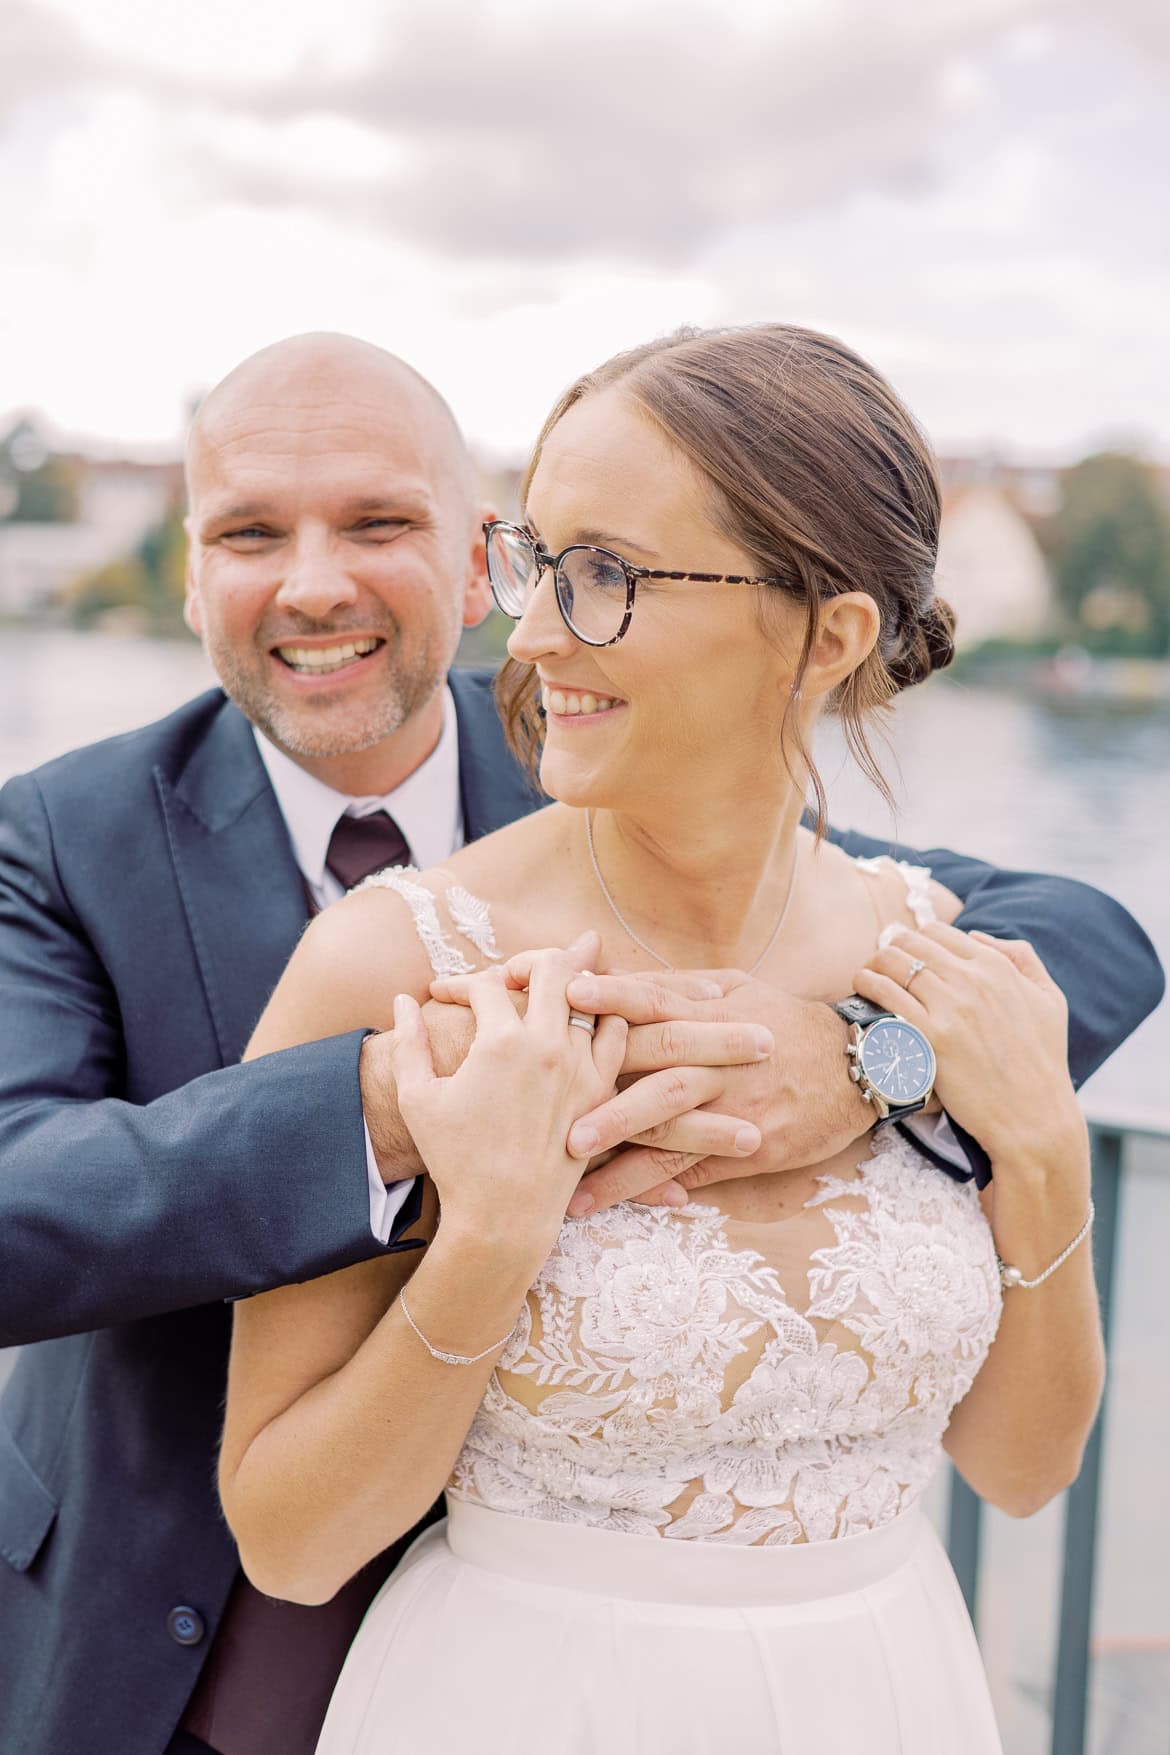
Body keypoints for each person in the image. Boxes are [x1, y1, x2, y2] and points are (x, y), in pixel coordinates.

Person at [0, 330, 1160, 1755]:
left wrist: (888, 1069)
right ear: (190, 572)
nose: (537, 637)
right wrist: (409, 1127)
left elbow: (1026, 1459)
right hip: (338, 1657)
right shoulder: (113, 854)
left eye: (598, 572)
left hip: (880, 1682)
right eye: (247, 533)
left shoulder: (850, 907)